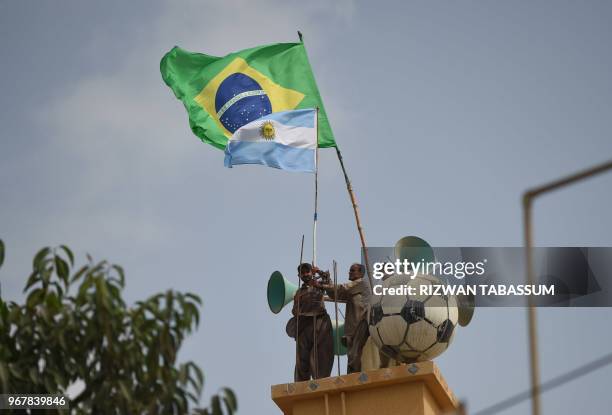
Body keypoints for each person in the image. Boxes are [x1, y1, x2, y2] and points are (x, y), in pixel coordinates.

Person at [286, 263, 334, 381]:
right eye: (302, 272)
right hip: (304, 325)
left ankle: (321, 380)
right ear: (299, 275)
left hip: (319, 322)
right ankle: (302, 383)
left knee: (321, 355)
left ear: (311, 272)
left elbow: (330, 285)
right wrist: (299, 312)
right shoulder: (299, 293)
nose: (305, 274)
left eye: (307, 271)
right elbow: (294, 310)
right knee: (302, 358)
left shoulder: (318, 285)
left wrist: (319, 272)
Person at [322, 263, 370, 373]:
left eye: (353, 270)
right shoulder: (353, 291)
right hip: (352, 330)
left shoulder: (361, 283)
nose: (350, 272)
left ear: (361, 273)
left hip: (361, 327)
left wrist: (322, 286)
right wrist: (327, 280)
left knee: (358, 358)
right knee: (353, 359)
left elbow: (342, 288)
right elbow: (335, 294)